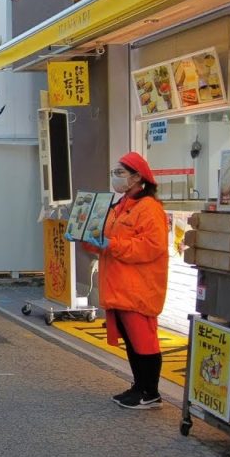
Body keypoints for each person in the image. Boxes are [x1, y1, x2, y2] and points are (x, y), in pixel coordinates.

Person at [81, 151, 168, 410]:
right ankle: (139, 387)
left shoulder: (149, 208)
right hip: (120, 286)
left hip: (138, 287)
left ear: (137, 177)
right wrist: (87, 237)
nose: (115, 178)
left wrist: (111, 243)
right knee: (133, 342)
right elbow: (104, 240)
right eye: (114, 173)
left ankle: (150, 392)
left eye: (120, 173)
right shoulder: (119, 206)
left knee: (144, 341)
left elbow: (152, 246)